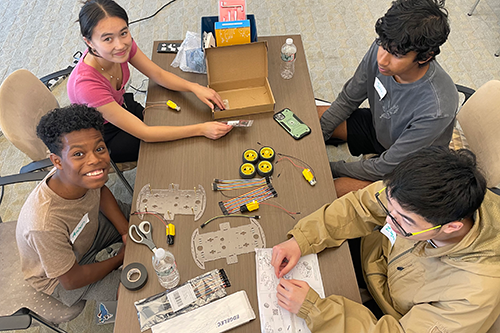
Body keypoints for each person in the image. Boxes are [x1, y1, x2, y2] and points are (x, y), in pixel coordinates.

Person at [271, 147, 500, 333]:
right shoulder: (417, 194)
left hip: (387, 314)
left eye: (404, 222)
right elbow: (362, 205)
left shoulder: (473, 294)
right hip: (377, 261)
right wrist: (302, 239)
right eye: (389, 210)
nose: (388, 222)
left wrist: (315, 310)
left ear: (451, 227)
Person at [319, 0, 458, 197]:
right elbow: (348, 99)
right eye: (383, 45)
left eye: (397, 55)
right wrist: (320, 135)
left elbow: (385, 166)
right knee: (313, 120)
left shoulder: (436, 107)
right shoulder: (383, 48)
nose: (382, 59)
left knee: (334, 189)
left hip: (408, 165)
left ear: (425, 57)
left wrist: (330, 168)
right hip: (380, 128)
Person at [67, 0, 232, 163]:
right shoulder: (86, 86)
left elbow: (157, 74)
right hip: (103, 134)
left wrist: (194, 87)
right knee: (165, 154)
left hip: (122, 105)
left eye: (123, 33)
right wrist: (201, 129)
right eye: (108, 39)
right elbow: (145, 133)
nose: (120, 45)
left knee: (172, 120)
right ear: (89, 42)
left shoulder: (123, 46)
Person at [16, 104, 130, 307]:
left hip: (89, 229)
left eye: (99, 148)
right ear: (57, 162)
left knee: (148, 215)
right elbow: (71, 280)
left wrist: (125, 232)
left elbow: (101, 191)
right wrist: (121, 257)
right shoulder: (44, 224)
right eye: (78, 154)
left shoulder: (82, 176)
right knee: (135, 287)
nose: (95, 160)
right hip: (64, 275)